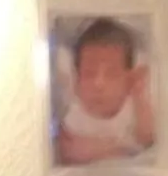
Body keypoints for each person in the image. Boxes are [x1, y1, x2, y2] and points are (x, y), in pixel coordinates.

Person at [57, 16, 154, 165]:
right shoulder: (75, 117)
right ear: (77, 83)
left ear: (128, 81)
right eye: (89, 74)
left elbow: (148, 139)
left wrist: (139, 96)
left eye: (112, 74)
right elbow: (69, 153)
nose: (99, 84)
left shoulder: (134, 108)